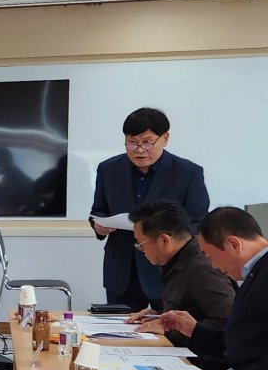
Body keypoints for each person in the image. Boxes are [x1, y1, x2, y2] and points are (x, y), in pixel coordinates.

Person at [89, 107, 208, 309]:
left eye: (147, 142)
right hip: (122, 272)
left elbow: (197, 222)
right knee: (119, 327)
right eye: (132, 142)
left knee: (169, 326)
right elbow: (99, 210)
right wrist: (98, 226)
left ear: (165, 138)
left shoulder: (188, 173)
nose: (139, 149)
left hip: (167, 271)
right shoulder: (108, 169)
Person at [156, 207, 268, 370]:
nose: (213, 266)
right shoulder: (255, 272)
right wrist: (194, 330)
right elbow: (243, 339)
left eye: (210, 256)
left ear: (233, 244)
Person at [125, 199, 235, 351]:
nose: (141, 251)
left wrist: (172, 329)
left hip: (202, 358)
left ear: (164, 240)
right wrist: (159, 316)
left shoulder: (201, 268)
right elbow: (193, 309)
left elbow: (229, 324)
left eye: (141, 244)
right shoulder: (177, 260)